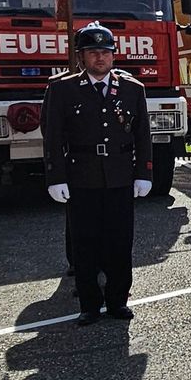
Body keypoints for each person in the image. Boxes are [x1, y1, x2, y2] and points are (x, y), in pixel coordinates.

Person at [42, 22, 153, 326]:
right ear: (81, 57)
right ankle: (90, 303)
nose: (100, 58)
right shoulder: (62, 89)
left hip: (119, 176)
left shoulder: (132, 89)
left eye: (105, 52)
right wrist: (56, 177)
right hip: (82, 176)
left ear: (114, 56)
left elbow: (143, 135)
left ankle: (118, 300)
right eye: (93, 53)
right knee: (85, 242)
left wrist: (144, 173)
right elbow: (52, 137)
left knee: (119, 241)